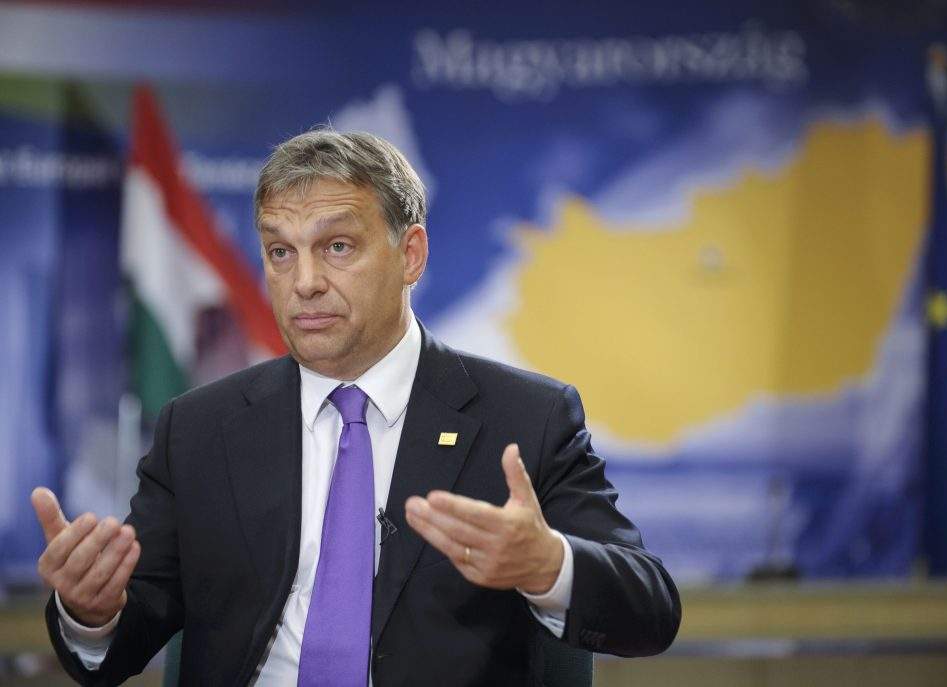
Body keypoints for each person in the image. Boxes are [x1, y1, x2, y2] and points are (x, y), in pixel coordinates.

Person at [33, 130, 681, 685]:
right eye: (280, 252)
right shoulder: (200, 429)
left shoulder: (526, 419)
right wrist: (92, 611)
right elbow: (123, 637)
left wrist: (548, 566)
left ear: (411, 254)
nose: (305, 281)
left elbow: (650, 609)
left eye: (337, 247)